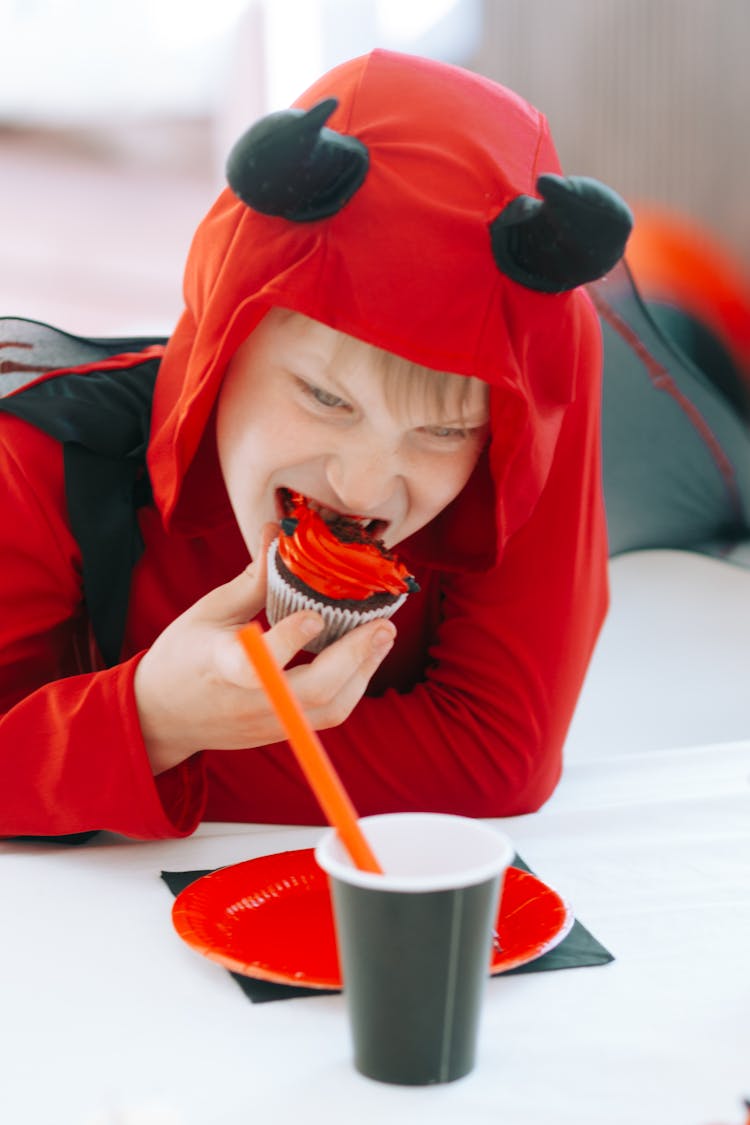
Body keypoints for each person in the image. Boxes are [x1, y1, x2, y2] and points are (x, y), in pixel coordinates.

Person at [0, 49, 637, 840]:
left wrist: (91, 754)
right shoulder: (38, 460)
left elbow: (500, 753)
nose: (366, 490)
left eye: (442, 430)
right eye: (325, 397)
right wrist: (154, 719)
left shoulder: (526, 396)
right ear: (223, 342)